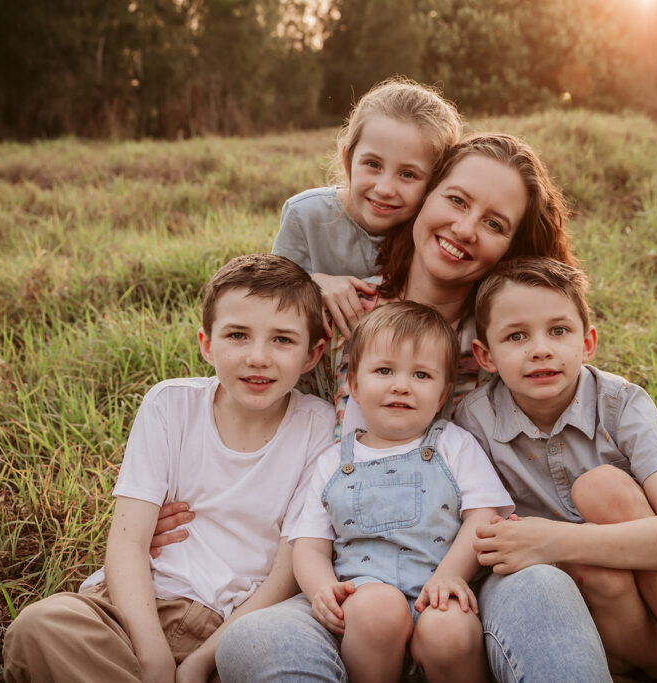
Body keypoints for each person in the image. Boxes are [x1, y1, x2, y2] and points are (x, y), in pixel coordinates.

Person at [206, 133, 612, 682]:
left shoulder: (510, 338)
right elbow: (249, 362)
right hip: (354, 571)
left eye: (494, 224)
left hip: (474, 570)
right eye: (457, 201)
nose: (466, 229)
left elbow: (575, 431)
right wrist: (309, 283)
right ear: (424, 198)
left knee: (542, 590)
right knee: (255, 641)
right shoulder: (341, 307)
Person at [454, 256, 657, 683]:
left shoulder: (621, 402)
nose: (540, 348)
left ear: (587, 342)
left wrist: (555, 539)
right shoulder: (474, 422)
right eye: (516, 335)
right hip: (590, 601)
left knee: (603, 488)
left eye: (558, 331)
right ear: (485, 355)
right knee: (587, 571)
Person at [2, 254, 336, 683]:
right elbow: (127, 543)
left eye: (282, 340)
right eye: (237, 335)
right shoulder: (169, 404)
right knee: (40, 627)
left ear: (313, 354)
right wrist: (154, 657)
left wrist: (200, 662)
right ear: (207, 344)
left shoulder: (320, 427)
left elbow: (287, 573)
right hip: (134, 608)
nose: (258, 357)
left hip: (234, 625)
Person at [291, 302, 514, 682]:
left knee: (452, 630)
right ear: (356, 386)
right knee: (378, 609)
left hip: (438, 589)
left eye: (421, 375)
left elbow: (483, 515)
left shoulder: (453, 445)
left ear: (443, 394)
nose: (401, 385)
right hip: (363, 605)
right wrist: (322, 589)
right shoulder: (333, 461)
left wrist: (450, 576)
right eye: (384, 371)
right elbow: (308, 544)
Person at [272, 77, 462, 338]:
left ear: (434, 183)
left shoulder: (430, 233)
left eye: (408, 174)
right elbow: (270, 296)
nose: (384, 188)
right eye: (372, 164)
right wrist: (313, 284)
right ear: (348, 160)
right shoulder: (305, 214)